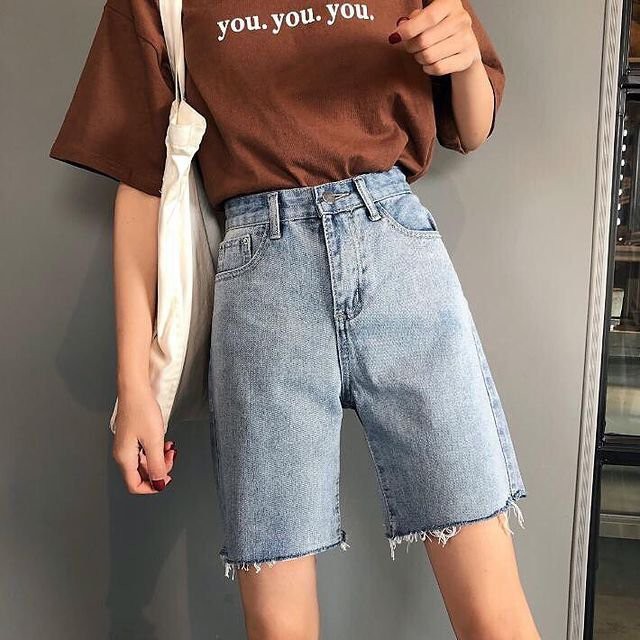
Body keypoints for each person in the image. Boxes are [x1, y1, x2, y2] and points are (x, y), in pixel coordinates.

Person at [49, 1, 540, 638]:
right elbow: (142, 178)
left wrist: (466, 56)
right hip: (263, 282)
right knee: (279, 627)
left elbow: (470, 128)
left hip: (397, 254)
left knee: (495, 614)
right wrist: (135, 387)